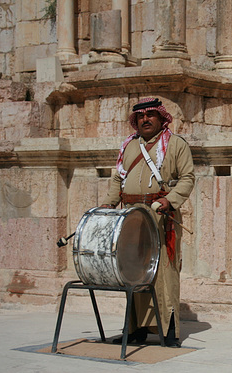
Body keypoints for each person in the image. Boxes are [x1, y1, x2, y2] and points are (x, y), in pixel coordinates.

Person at [100, 97, 195, 348]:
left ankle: (169, 331)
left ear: (162, 118)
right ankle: (135, 330)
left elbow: (187, 178)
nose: (145, 119)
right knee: (132, 272)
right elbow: (117, 180)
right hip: (130, 217)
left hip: (160, 217)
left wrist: (170, 201)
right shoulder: (128, 146)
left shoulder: (176, 145)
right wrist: (109, 205)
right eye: (141, 116)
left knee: (164, 274)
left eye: (151, 115)